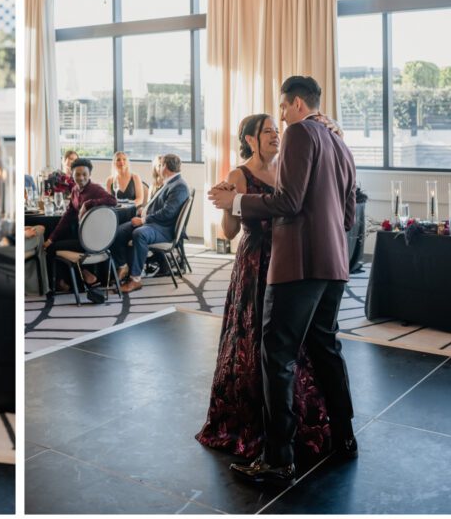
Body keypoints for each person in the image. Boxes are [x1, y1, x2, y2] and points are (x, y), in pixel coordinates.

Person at [209, 76, 357, 486]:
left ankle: (278, 460)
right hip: (334, 263)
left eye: (282, 109)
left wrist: (235, 201)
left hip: (299, 265)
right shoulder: (339, 141)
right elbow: (347, 216)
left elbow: (289, 202)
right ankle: (345, 438)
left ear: (293, 104)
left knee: (277, 356)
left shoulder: (300, 133)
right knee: (326, 348)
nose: (281, 122)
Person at [196, 114, 331, 461]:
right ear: (250, 139)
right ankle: (254, 420)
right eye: (267, 131)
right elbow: (228, 231)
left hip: (288, 258)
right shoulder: (238, 174)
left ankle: (288, 417)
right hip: (257, 260)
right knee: (253, 335)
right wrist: (228, 201)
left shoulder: (287, 165)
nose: (275, 135)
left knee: (286, 340)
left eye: (276, 129)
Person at [111, 154, 190, 293]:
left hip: (164, 229)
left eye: (161, 165)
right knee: (118, 232)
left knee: (139, 233)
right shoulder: (171, 182)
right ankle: (123, 266)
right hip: (155, 223)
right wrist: (144, 210)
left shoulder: (179, 186)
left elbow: (167, 213)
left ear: (164, 166)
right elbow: (161, 206)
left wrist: (143, 220)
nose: (159, 168)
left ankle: (135, 279)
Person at [42, 158, 117, 292]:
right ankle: (82, 277)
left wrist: (88, 203)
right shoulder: (75, 190)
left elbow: (112, 200)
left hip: (93, 241)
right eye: (77, 174)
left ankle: (64, 283)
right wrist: (51, 238)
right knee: (55, 242)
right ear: (72, 174)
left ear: (90, 175)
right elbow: (67, 215)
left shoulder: (95, 188)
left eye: (84, 174)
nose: (81, 178)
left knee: (53, 249)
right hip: (83, 238)